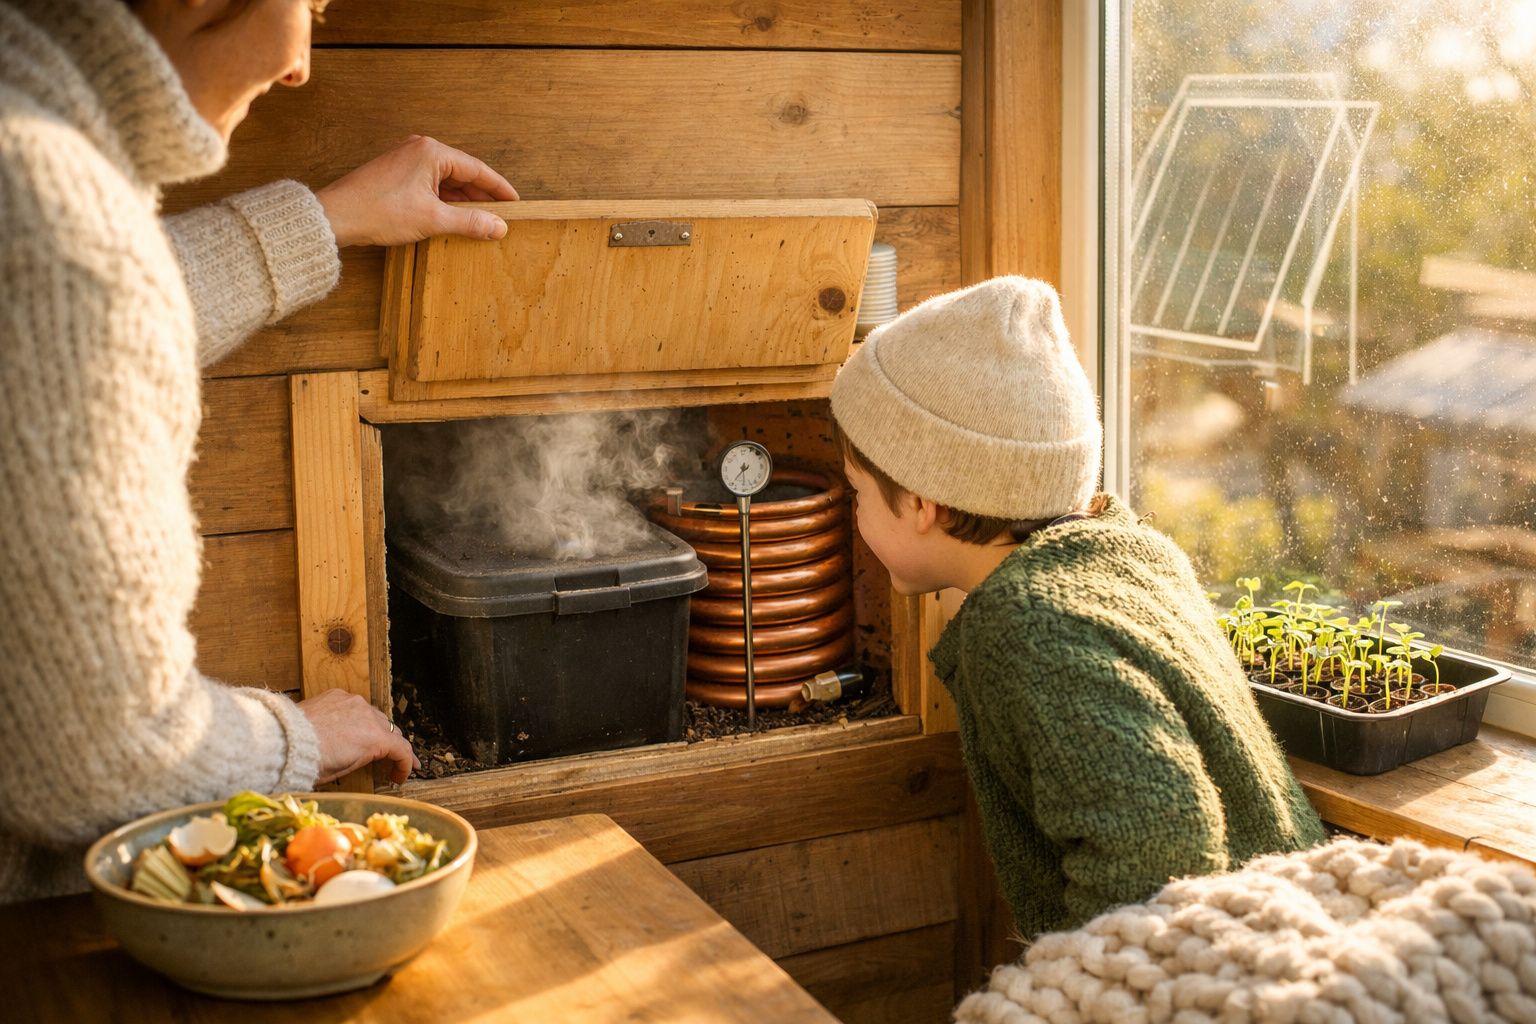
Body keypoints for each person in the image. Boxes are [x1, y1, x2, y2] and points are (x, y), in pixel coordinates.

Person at [0, 0, 519, 901]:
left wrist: (326, 220)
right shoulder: (50, 214)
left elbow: (49, 335)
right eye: (310, 5)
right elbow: (101, 757)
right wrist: (295, 743)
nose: (299, 68)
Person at [829, 276, 1326, 939]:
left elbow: (1153, 864)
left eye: (858, 491)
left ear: (924, 502)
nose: (853, 511)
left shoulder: (1030, 626)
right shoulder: (1128, 556)